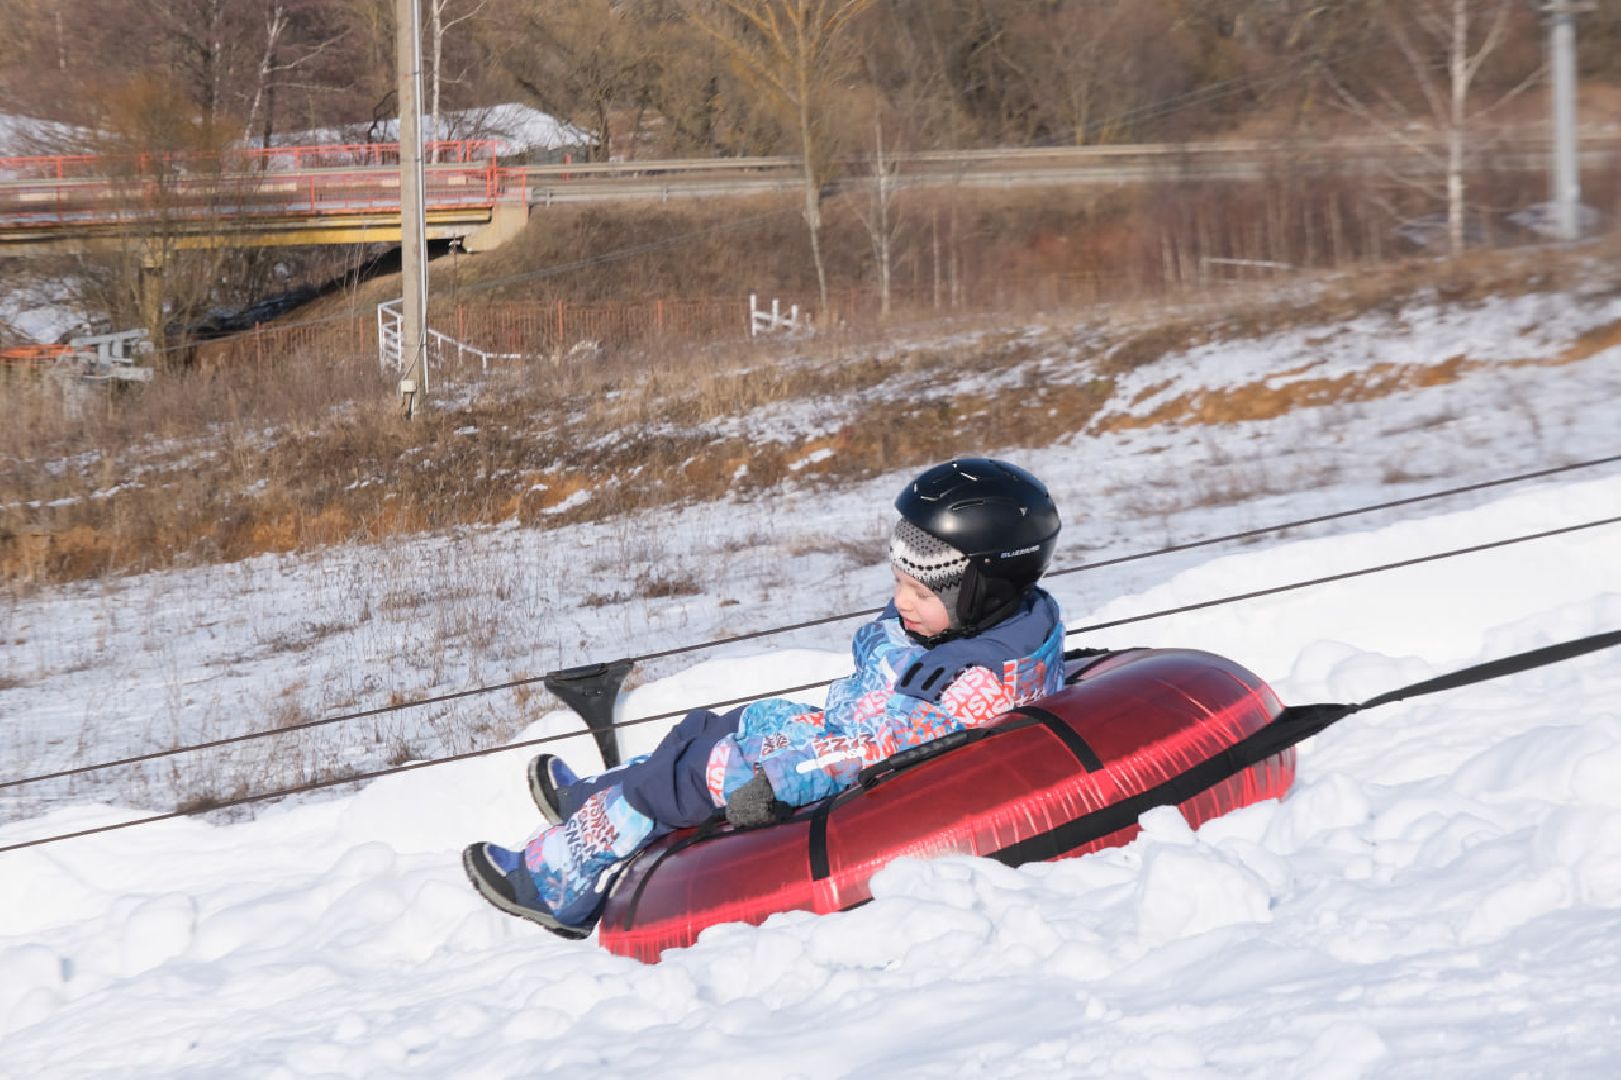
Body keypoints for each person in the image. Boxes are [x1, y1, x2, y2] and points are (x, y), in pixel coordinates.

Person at [462, 458, 1067, 937]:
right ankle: (594, 798)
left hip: (815, 767)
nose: (901, 602)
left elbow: (880, 749)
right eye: (897, 584)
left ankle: (558, 881)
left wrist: (781, 782)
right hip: (833, 732)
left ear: (984, 589)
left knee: (698, 769)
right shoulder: (1002, 622)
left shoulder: (967, 686)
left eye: (919, 592)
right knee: (723, 725)